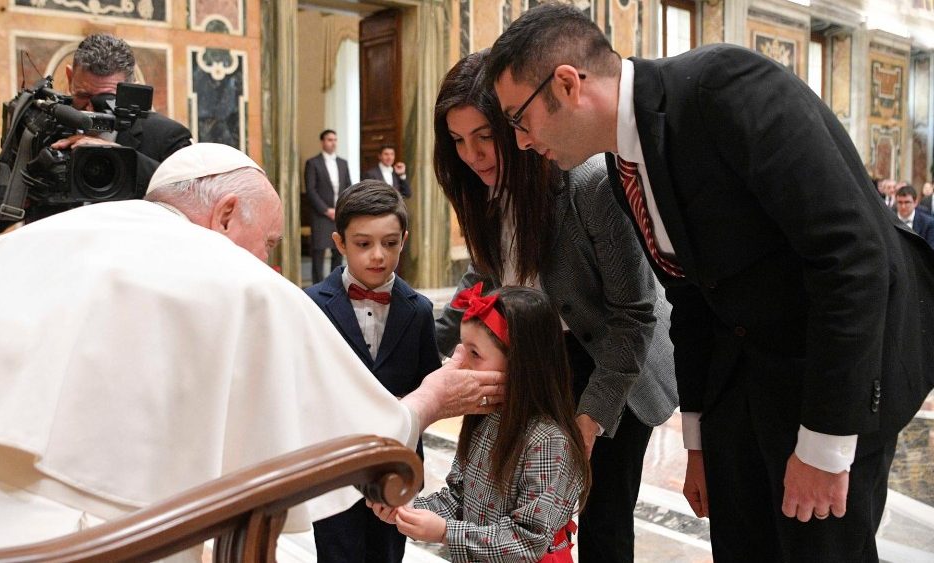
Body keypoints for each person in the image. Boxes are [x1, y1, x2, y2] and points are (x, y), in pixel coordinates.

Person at [484, 5, 934, 561]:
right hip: (746, 376)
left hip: (836, 372)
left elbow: (852, 258)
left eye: (518, 119)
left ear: (568, 84)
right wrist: (699, 437)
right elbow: (691, 295)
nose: (521, 142)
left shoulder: (724, 89)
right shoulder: (627, 163)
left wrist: (824, 445)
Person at [0, 143, 506, 555]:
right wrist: (429, 399)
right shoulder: (234, 279)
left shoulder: (24, 242)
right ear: (227, 215)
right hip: (97, 540)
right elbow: (350, 431)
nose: (268, 261)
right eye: (270, 242)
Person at [432, 50, 676, 562]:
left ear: (515, 125)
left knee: (603, 513)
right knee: (525, 506)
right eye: (457, 141)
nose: (473, 155)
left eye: (483, 136)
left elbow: (634, 314)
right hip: (548, 354)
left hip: (616, 362)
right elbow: (482, 274)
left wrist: (591, 419)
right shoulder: (488, 193)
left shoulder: (587, 184)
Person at [370, 285, 590, 562]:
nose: (459, 366)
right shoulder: (485, 417)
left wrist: (446, 533)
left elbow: (527, 541)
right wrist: (408, 510)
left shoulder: (547, 441)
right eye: (460, 351)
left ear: (520, 362)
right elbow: (458, 498)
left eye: (474, 354)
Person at [0, 33, 192, 253]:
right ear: (69, 77)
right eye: (82, 96)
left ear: (131, 88)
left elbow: (191, 200)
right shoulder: (46, 126)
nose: (90, 109)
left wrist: (122, 157)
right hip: (52, 269)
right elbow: (24, 197)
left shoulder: (166, 136)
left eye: (106, 99)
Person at [306, 180, 440, 563]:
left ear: (405, 239)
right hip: (334, 464)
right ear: (340, 242)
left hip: (394, 465)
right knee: (337, 554)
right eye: (364, 244)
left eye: (390, 243)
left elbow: (427, 389)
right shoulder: (311, 305)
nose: (378, 255)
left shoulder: (419, 311)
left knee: (387, 553)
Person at [305, 129, 353, 283]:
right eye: (329, 140)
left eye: (335, 140)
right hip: (321, 215)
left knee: (338, 251)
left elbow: (348, 186)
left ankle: (335, 285)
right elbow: (310, 190)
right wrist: (326, 210)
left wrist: (341, 208)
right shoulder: (313, 163)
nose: (333, 143)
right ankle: (317, 287)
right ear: (322, 142)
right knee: (318, 252)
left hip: (339, 214)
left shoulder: (343, 163)